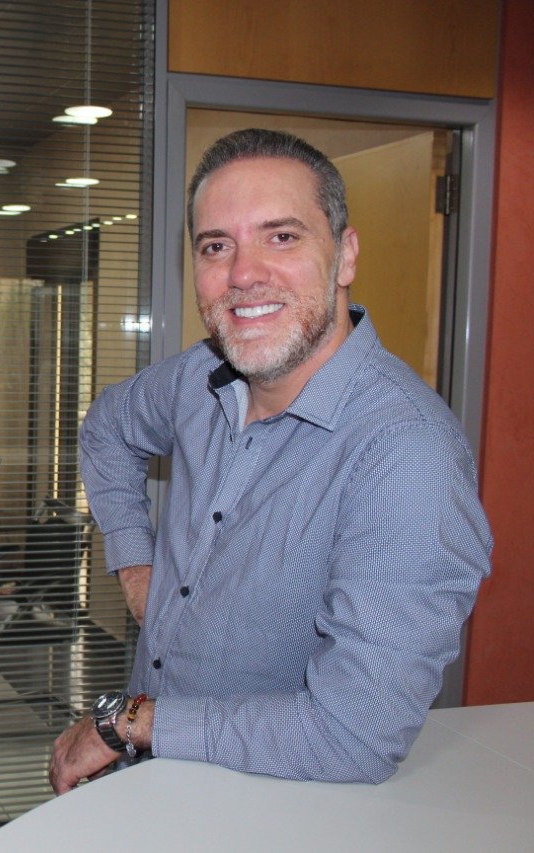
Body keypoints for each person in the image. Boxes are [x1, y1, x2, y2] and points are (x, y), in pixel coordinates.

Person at [48, 128, 492, 791]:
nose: (243, 274)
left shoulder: (408, 456)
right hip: (158, 788)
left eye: (281, 236)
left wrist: (129, 721)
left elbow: (352, 736)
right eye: (215, 246)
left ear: (345, 254)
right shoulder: (197, 378)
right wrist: (136, 564)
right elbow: (107, 427)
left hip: (282, 809)